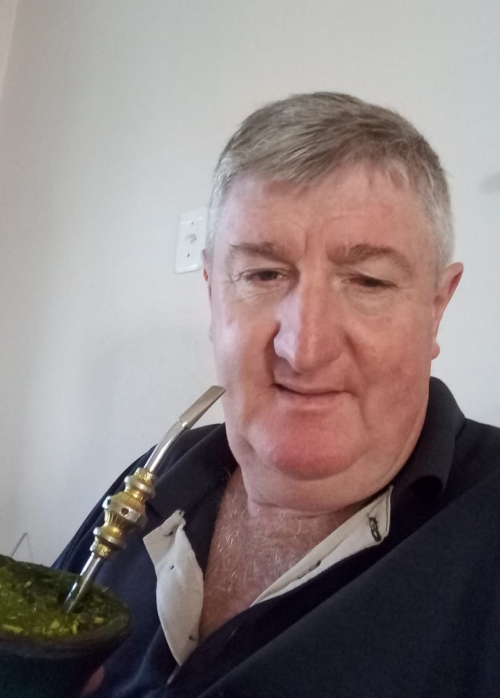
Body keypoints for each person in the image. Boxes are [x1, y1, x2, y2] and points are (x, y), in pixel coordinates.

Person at [57, 92, 500, 698]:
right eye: (263, 274)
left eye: (368, 281)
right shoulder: (153, 478)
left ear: (437, 306)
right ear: (213, 294)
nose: (305, 348)